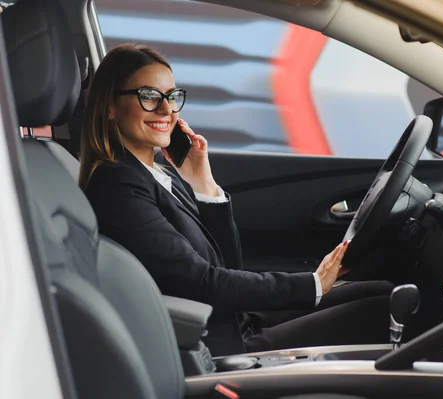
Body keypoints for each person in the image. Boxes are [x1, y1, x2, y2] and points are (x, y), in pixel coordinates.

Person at [80, 44, 393, 356]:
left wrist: (203, 182)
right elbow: (200, 281)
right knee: (383, 308)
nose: (167, 110)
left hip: (232, 319)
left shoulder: (157, 173)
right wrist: (312, 284)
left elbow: (226, 264)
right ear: (109, 106)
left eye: (172, 97)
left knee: (381, 292)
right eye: (149, 96)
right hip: (212, 345)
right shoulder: (117, 184)